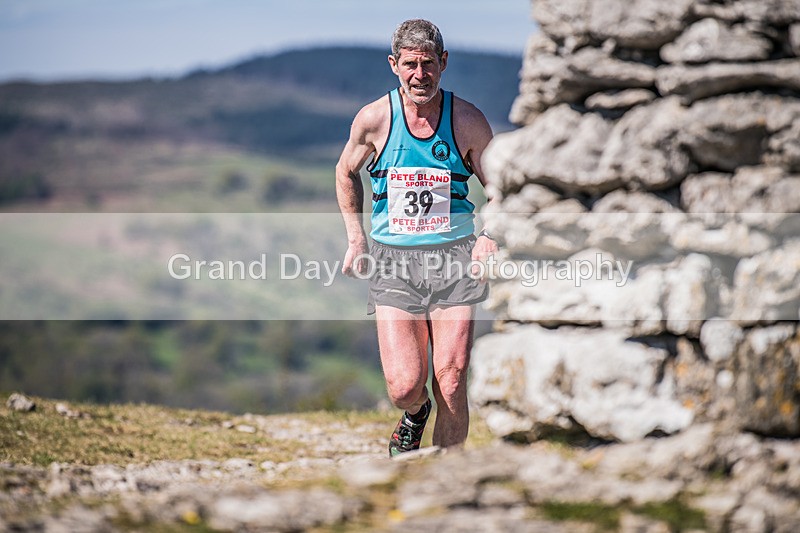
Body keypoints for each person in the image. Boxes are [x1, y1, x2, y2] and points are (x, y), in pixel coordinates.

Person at [335, 19, 498, 457]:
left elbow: (504, 187)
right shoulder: (374, 119)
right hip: (394, 261)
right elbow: (346, 172)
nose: (419, 75)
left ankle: (448, 479)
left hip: (456, 258)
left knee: (452, 375)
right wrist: (356, 238)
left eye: (428, 64)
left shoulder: (466, 120)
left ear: (443, 63)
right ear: (394, 65)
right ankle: (414, 413)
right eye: (410, 64)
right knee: (406, 384)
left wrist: (490, 234)